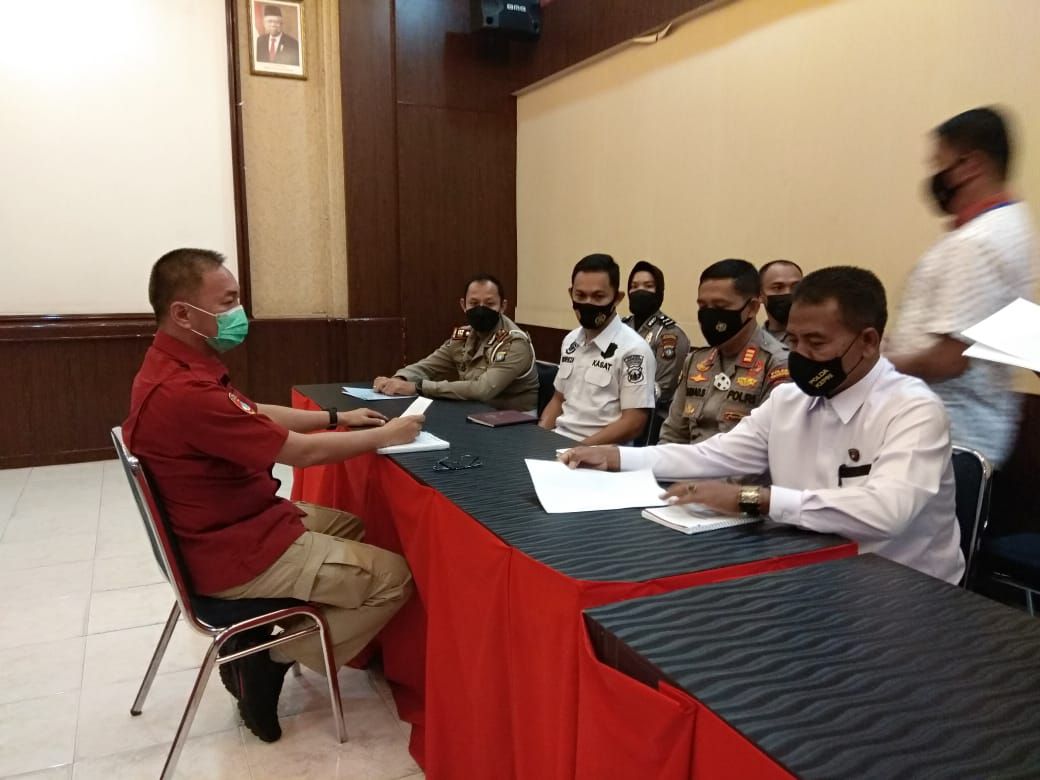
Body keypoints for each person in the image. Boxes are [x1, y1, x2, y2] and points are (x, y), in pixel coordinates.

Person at [123, 249, 419, 742]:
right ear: (182, 313)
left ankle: (277, 627)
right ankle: (267, 659)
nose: (240, 313)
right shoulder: (184, 391)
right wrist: (386, 436)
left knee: (349, 524)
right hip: (233, 552)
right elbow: (301, 453)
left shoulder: (175, 365)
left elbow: (251, 411)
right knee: (395, 578)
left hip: (233, 523)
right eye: (228, 302)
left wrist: (336, 417)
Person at [562, 267, 964, 584]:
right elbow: (711, 455)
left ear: (868, 341)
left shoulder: (913, 409)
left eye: (816, 343)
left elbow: (886, 511)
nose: (800, 355)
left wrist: (752, 499)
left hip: (901, 589)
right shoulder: (790, 400)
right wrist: (617, 457)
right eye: (794, 341)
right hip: (805, 569)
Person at [886, 107, 1038, 468]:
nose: (933, 177)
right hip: (961, 434)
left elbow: (950, 361)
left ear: (969, 165)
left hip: (948, 441)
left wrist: (875, 362)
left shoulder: (977, 242)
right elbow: (1011, 334)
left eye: (939, 164)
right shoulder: (1011, 225)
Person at [660, 259, 789, 446]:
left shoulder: (777, 364)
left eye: (720, 307)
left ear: (752, 308)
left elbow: (767, 447)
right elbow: (673, 435)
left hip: (739, 463)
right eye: (703, 307)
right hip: (686, 461)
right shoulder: (696, 361)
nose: (709, 315)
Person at [373, 274, 539, 411]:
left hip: (514, 420)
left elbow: (482, 389)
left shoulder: (514, 342)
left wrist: (417, 387)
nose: (481, 309)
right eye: (474, 303)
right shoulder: (464, 335)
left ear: (502, 306)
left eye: (489, 304)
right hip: (473, 411)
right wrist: (399, 379)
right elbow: (429, 366)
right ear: (463, 305)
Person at [539, 253, 656, 444]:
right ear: (571, 294)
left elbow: (634, 423)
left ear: (617, 298)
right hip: (558, 443)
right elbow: (558, 400)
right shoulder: (570, 341)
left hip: (602, 452)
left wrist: (578, 449)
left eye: (598, 296)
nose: (588, 303)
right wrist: (537, 438)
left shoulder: (634, 350)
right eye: (580, 295)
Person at [621, 261, 691, 439]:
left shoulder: (670, 334)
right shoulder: (620, 326)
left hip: (649, 417)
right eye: (634, 286)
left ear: (659, 292)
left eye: (648, 286)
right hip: (609, 408)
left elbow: (661, 389)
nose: (640, 291)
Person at [759, 259, 803, 346]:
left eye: (795, 287)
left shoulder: (820, 336)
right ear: (759, 295)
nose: (788, 292)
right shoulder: (754, 342)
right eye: (778, 288)